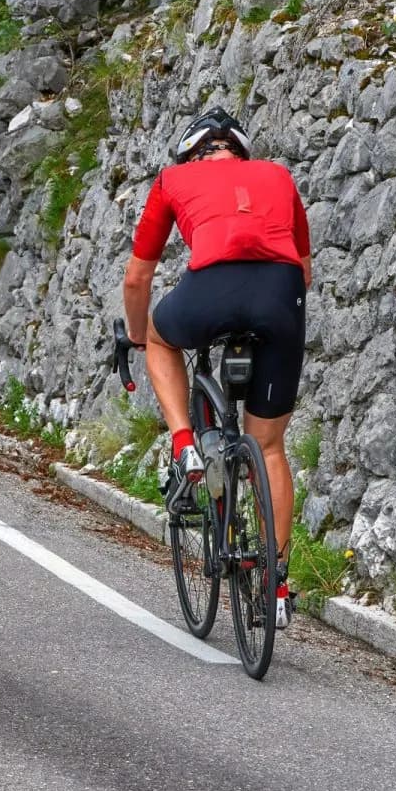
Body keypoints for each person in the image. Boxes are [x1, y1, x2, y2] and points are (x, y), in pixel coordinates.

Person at [120, 106, 311, 627]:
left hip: (209, 290)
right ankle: (275, 585)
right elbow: (304, 269)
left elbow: (138, 279)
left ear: (190, 152)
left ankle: (186, 445)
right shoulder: (278, 176)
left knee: (161, 338)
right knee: (270, 445)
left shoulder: (173, 179)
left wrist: (138, 335)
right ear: (241, 152)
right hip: (280, 294)